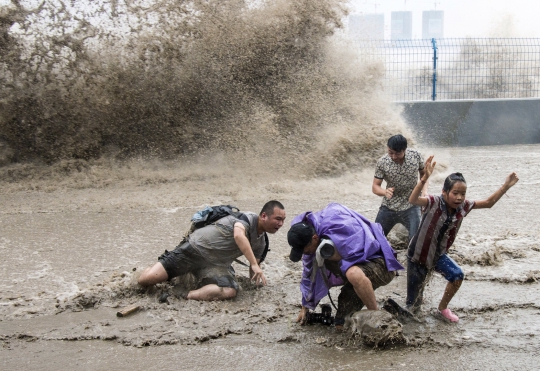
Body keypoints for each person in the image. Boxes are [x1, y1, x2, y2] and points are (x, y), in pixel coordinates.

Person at [407, 156, 519, 322]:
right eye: (455, 193)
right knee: (413, 307)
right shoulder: (433, 202)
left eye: (463, 194)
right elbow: (413, 200)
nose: (459, 197)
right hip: (417, 256)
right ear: (444, 192)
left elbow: (488, 203)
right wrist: (424, 178)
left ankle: (442, 308)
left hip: (438, 256)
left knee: (457, 275)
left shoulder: (464, 206)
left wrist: (505, 187)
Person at [138, 200, 286, 301]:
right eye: (278, 219)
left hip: (213, 265)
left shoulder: (262, 242)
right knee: (146, 280)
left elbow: (255, 271)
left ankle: (184, 294)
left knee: (230, 291)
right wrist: (253, 263)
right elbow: (238, 235)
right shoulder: (247, 218)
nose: (281, 224)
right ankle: (152, 268)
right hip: (193, 250)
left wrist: (257, 287)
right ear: (264, 216)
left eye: (283, 220)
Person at [287, 203, 404, 327]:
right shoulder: (313, 243)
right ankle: (392, 310)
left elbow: (370, 247)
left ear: (315, 238)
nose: (305, 253)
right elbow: (309, 275)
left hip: (380, 264)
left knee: (353, 273)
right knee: (341, 325)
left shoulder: (340, 225)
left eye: (305, 250)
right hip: (356, 275)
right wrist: (305, 307)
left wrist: (339, 254)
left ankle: (377, 317)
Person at [372, 134, 428, 241]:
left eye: (397, 153)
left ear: (405, 150)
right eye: (390, 152)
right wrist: (384, 192)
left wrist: (424, 191)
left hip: (412, 204)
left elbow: (424, 175)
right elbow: (375, 186)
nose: (393, 157)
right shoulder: (382, 162)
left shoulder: (416, 156)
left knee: (416, 242)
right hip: (389, 206)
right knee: (375, 239)